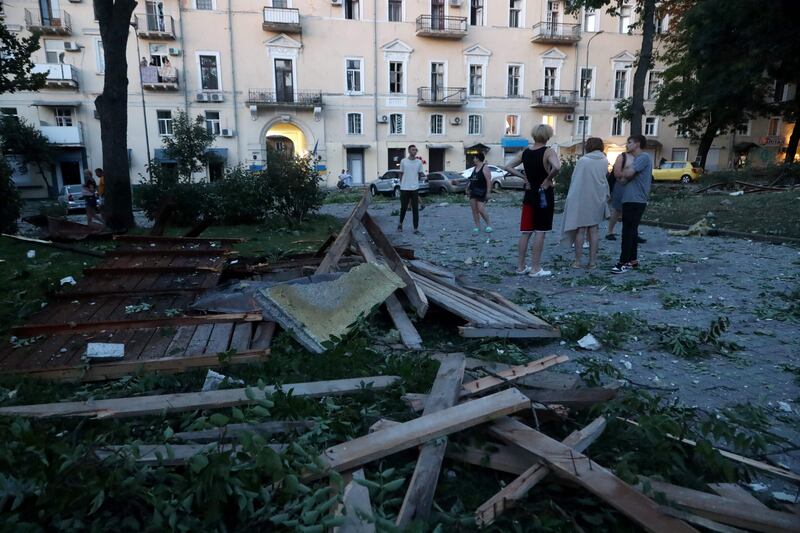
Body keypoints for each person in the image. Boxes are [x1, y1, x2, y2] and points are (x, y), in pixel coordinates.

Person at [504, 124, 560, 277]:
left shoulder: (525, 153)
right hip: (543, 195)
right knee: (540, 231)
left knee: (526, 231)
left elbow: (507, 166)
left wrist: (523, 177)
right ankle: (536, 268)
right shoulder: (548, 151)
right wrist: (548, 179)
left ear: (534, 135)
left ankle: (521, 267)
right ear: (547, 136)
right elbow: (556, 167)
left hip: (529, 194)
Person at [559, 137, 609, 269]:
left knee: (581, 230)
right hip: (598, 198)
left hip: (583, 198)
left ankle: (577, 261)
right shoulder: (604, 160)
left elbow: (576, 180)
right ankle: (592, 262)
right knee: (594, 230)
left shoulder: (583, 160)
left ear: (588, 146)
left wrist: (571, 198)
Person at [612, 134, 653, 274]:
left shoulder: (643, 157)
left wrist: (623, 171)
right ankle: (632, 261)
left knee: (627, 231)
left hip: (635, 199)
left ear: (637, 143)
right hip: (631, 199)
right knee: (632, 231)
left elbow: (627, 174)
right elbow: (622, 179)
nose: (627, 145)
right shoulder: (637, 160)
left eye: (629, 142)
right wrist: (624, 174)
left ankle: (622, 263)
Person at [398, 144, 424, 234]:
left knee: (415, 208)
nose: (415, 151)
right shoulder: (403, 161)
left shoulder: (419, 162)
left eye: (416, 150)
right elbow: (401, 173)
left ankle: (416, 228)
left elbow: (420, 173)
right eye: (413, 150)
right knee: (404, 207)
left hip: (414, 188)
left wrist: (422, 177)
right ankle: (400, 224)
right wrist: (401, 184)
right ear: (409, 151)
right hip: (404, 188)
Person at [465, 152, 492, 233]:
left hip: (482, 191)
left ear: (478, 158)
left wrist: (488, 193)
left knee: (481, 209)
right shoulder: (474, 168)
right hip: (473, 191)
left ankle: (488, 224)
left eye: (474, 158)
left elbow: (488, 181)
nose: (473, 159)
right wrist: (467, 188)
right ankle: (477, 226)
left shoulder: (485, 167)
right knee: (474, 210)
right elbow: (472, 179)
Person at [605, 151, 630, 241]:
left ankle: (632, 232)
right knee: (618, 210)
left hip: (630, 187)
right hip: (620, 186)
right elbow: (617, 174)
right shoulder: (623, 157)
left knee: (631, 210)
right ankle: (609, 231)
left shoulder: (638, 157)